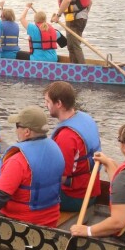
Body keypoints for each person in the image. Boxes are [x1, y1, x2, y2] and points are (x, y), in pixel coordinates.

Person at [45, 82, 101, 212]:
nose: (45, 105)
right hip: (91, 190)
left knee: (25, 192)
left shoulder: (66, 137)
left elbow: (61, 178)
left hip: (75, 198)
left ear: (58, 104)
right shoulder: (85, 118)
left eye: (47, 101)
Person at [54, 0, 90, 64]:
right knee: (73, 44)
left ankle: (81, 71)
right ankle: (74, 67)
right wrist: (85, 13)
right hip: (83, 18)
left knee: (74, 46)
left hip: (73, 19)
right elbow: (90, 1)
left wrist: (58, 15)